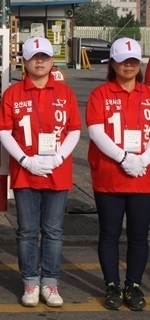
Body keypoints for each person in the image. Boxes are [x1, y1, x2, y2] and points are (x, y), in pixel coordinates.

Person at [0, 36, 81, 308]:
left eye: (44, 56)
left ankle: (51, 282)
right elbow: (4, 131)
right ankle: (30, 281)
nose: (40, 62)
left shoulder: (65, 93)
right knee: (27, 231)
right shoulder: (13, 93)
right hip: (26, 172)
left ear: (52, 60)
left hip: (58, 172)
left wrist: (58, 157)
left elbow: (74, 130)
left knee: (53, 231)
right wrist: (25, 159)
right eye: (34, 57)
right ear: (24, 61)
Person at [86, 37, 150, 311]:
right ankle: (111, 285)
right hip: (109, 176)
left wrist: (143, 159)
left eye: (134, 61)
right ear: (112, 63)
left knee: (139, 236)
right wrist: (124, 158)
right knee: (109, 234)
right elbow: (96, 130)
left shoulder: (148, 94)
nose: (129, 66)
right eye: (123, 61)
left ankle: (133, 285)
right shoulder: (100, 94)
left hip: (143, 177)